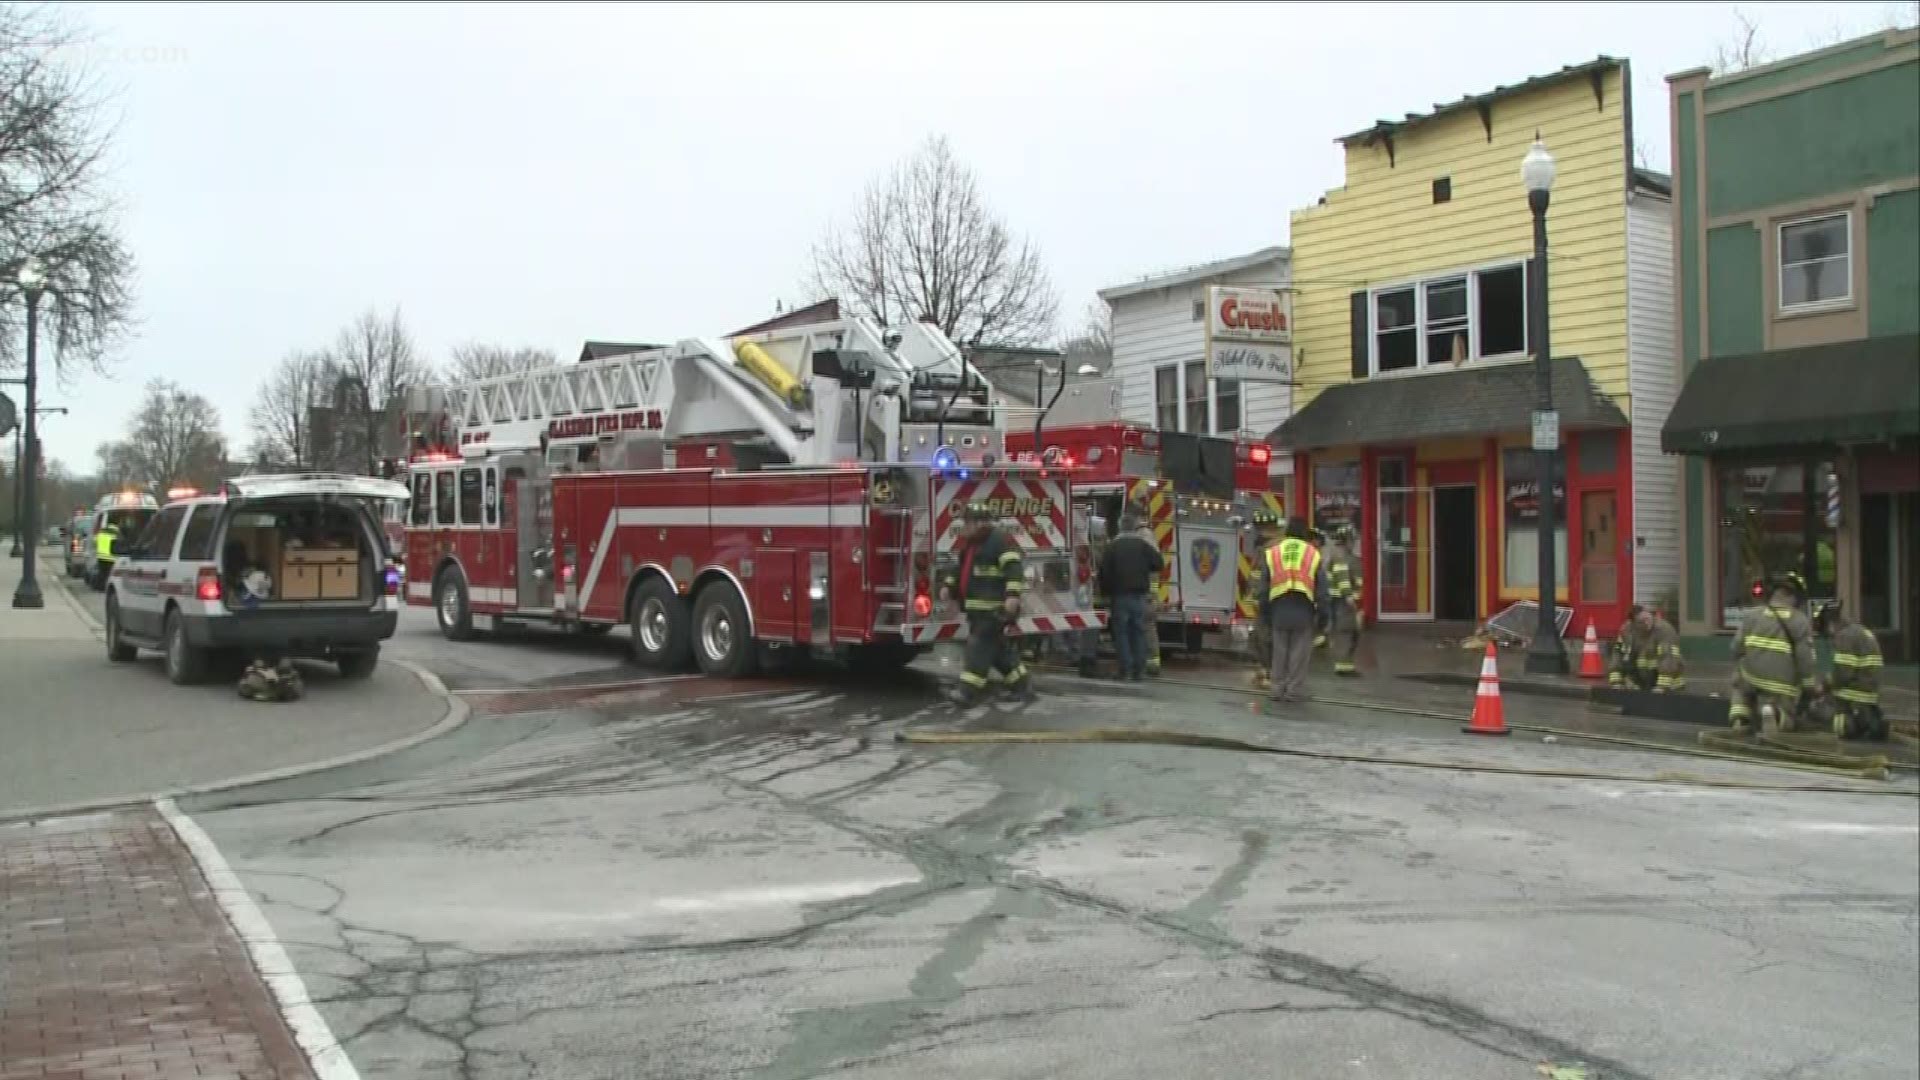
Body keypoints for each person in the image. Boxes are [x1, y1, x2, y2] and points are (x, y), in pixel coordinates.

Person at [939, 502, 1031, 705]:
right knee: (998, 652)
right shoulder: (971, 545)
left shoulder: (999, 541)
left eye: (968, 522)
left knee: (978, 648)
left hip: (993, 610)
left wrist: (1012, 596)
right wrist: (948, 586)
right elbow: (960, 570)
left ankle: (967, 692)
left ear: (980, 523)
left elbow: (1013, 568)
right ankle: (1021, 685)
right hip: (977, 610)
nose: (965, 526)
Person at [1252, 516, 1331, 708]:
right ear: (1304, 532)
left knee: (1279, 650)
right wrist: (1324, 614)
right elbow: (1322, 588)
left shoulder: (1274, 552)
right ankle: (1293, 691)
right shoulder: (1312, 553)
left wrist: (1263, 611)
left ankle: (1277, 689)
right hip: (1304, 608)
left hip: (1278, 607)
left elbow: (1263, 587)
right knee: (1299, 652)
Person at [1727, 572, 1818, 734]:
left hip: (1752, 677)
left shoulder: (1752, 615)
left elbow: (1736, 648)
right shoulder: (1800, 620)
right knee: (1789, 713)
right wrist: (1809, 685)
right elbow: (1805, 659)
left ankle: (1740, 717)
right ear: (1794, 597)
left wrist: (1740, 666)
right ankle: (1776, 715)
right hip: (1782, 684)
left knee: (1739, 684)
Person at [1099, 512, 1164, 682]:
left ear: (1120, 526)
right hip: (1140, 596)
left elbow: (1104, 572)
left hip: (1120, 596)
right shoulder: (1142, 545)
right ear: (1134, 526)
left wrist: (1105, 594)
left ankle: (1125, 670)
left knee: (1122, 633)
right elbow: (1159, 563)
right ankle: (1139, 671)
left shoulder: (1112, 546)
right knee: (1138, 632)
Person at [1814, 600, 1887, 740]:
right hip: (1867, 695)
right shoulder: (1860, 631)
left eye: (1825, 631)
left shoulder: (1845, 636)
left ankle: (1848, 724)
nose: (1829, 636)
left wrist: (1823, 686)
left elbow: (1843, 673)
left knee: (1815, 711)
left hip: (1852, 697)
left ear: (1830, 623)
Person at [1244, 511, 1284, 689]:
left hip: (1267, 599)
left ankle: (1268, 672)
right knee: (1266, 636)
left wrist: (1254, 597)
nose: (1260, 532)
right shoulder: (1279, 546)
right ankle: (1266, 671)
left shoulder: (1267, 549)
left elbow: (1258, 575)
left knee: (1264, 636)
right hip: (1278, 598)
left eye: (1262, 529)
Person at [1608, 604, 1686, 692]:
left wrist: (1662, 687)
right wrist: (1616, 682)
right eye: (1641, 621)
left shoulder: (1664, 630)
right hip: (1641, 686)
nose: (1647, 623)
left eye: (1648, 618)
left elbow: (1668, 658)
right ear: (1633, 622)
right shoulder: (1627, 631)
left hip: (1669, 686)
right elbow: (1618, 655)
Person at [1323, 525, 1365, 677]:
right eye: (1352, 540)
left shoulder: (1335, 555)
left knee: (1343, 631)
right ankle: (1344, 666)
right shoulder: (1342, 556)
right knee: (1347, 631)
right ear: (1347, 540)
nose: (1354, 543)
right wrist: (1350, 597)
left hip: (1335, 600)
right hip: (1343, 601)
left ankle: (1344, 664)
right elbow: (1343, 579)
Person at [92, 519, 120, 589]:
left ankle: (100, 587)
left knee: (102, 573)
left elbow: (94, 542)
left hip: (101, 557)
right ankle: (107, 587)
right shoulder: (116, 533)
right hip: (111, 558)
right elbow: (118, 544)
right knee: (109, 574)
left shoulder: (102, 532)